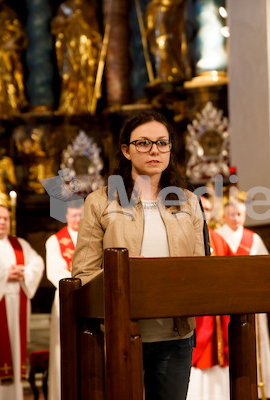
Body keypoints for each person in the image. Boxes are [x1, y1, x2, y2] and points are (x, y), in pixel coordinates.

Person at [72, 110, 209, 400]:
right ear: (126, 150)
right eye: (143, 143)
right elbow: (83, 275)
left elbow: (200, 268)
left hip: (176, 335)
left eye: (162, 142)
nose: (154, 150)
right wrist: (121, 276)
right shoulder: (100, 201)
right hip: (121, 333)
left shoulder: (188, 200)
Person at [0, 204, 44, 400]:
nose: (3, 222)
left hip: (16, 306)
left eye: (6, 218)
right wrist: (6, 274)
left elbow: (37, 263)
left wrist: (24, 273)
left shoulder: (20, 244)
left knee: (15, 354)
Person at [216, 199, 270, 400]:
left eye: (239, 214)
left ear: (245, 215)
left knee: (256, 342)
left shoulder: (254, 239)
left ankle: (260, 389)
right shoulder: (216, 236)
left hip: (251, 299)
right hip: (223, 300)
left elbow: (265, 267)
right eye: (231, 214)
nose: (235, 218)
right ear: (223, 216)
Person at [187, 195, 233, 400]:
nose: (204, 213)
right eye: (200, 208)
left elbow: (232, 270)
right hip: (193, 311)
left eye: (207, 208)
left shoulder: (218, 239)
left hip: (217, 314)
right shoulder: (182, 237)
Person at [45, 200, 84, 400]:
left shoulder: (92, 237)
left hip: (91, 296)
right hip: (66, 297)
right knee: (64, 346)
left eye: (81, 214)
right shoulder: (55, 241)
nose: (78, 219)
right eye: (74, 215)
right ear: (66, 216)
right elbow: (54, 272)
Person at [51, 0, 102, 115]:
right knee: (69, 75)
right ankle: (68, 105)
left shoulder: (88, 8)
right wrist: (59, 21)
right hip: (70, 47)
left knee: (85, 75)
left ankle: (85, 105)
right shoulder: (64, 6)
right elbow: (55, 27)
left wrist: (98, 41)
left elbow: (94, 29)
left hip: (86, 48)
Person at [145, 0, 189, 84]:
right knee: (158, 41)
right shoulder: (153, 8)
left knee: (166, 40)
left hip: (169, 5)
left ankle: (173, 74)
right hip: (156, 6)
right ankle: (164, 74)